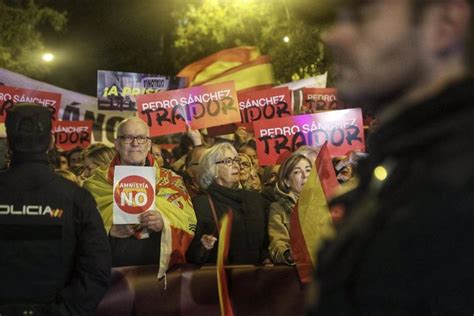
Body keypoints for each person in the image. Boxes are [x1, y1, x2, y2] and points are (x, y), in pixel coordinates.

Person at [299, 0, 474, 314]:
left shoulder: (457, 181)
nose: (333, 36)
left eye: (360, 15)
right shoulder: (400, 167)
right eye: (337, 18)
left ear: (445, 24)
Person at [0, 103, 110, 315]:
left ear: (9, 141)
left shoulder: (77, 197)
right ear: (51, 141)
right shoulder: (77, 198)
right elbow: (96, 271)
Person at [83, 117, 196, 278]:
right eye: (128, 137)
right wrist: (109, 231)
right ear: (116, 143)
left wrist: (164, 222)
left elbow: (189, 222)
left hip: (158, 275)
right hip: (109, 276)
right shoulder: (96, 183)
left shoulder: (171, 181)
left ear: (149, 144)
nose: (135, 143)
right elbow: (80, 230)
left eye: (141, 138)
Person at [186, 142, 270, 264]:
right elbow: (191, 254)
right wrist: (203, 246)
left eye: (236, 160)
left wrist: (266, 258)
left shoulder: (255, 199)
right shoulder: (201, 205)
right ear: (212, 169)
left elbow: (266, 242)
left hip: (258, 277)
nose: (236, 166)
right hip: (221, 279)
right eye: (228, 162)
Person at [268, 153, 312, 265]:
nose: (305, 175)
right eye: (297, 172)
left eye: (308, 170)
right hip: (302, 270)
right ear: (286, 181)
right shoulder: (278, 208)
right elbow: (277, 244)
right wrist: (289, 255)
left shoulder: (325, 200)